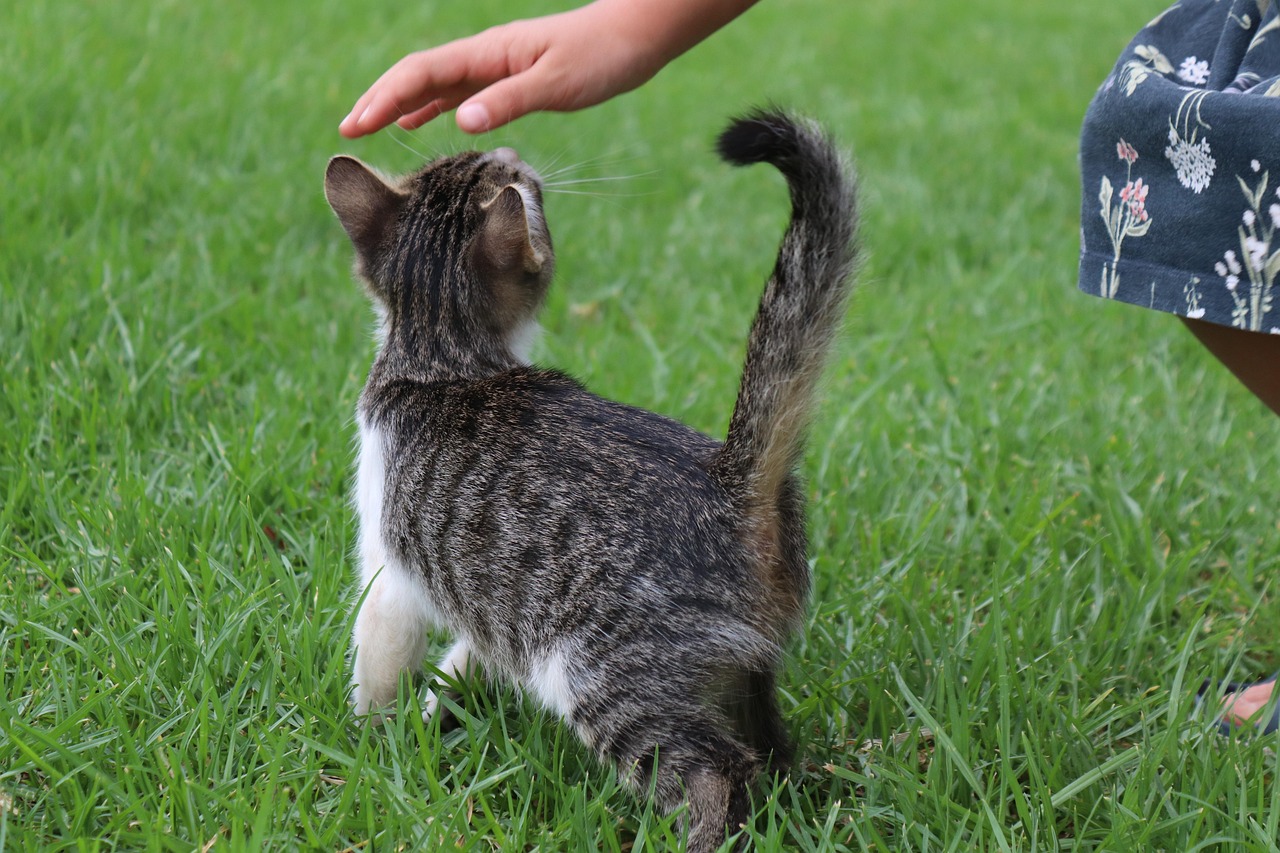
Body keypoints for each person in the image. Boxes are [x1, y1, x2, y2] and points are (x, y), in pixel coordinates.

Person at [339, 0, 1280, 731]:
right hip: (743, 546)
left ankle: (716, 788)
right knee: (1171, 165)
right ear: (520, 258)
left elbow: (398, 603)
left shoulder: (409, 426)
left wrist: (377, 726)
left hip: (662, 592)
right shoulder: (518, 393)